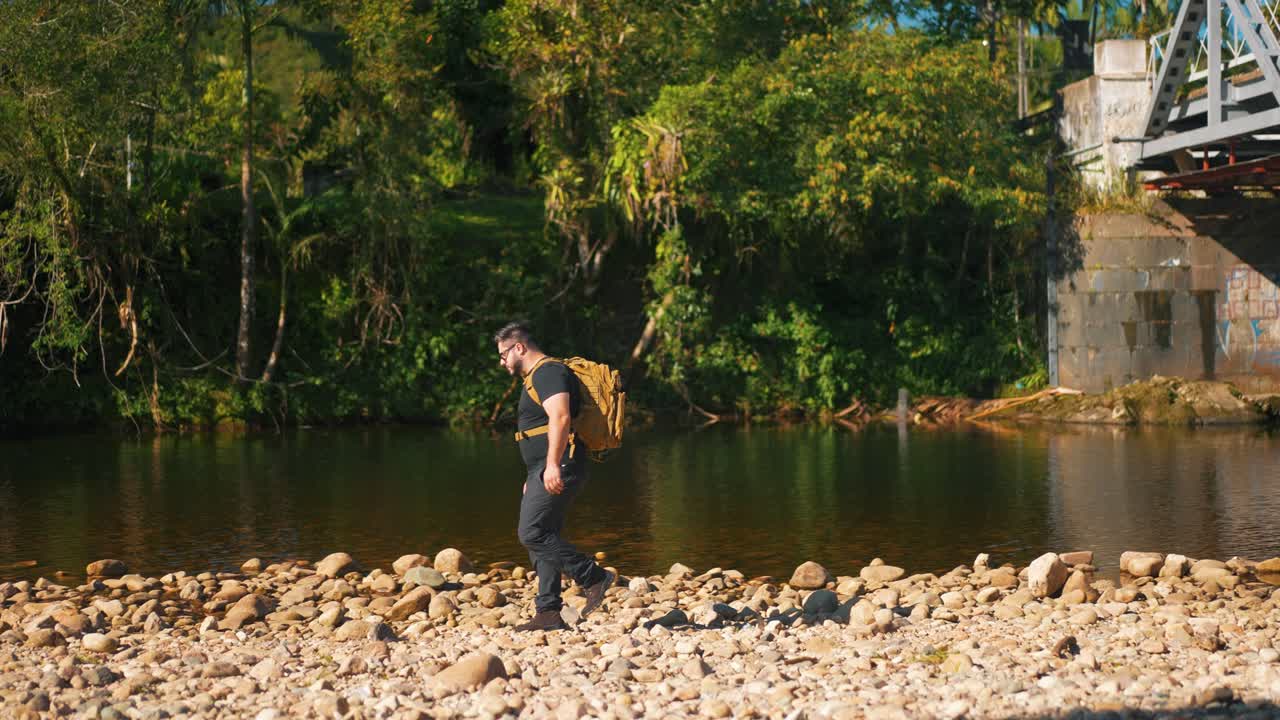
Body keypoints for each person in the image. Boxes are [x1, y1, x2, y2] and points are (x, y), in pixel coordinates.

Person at [494, 322, 615, 631]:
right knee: (543, 536)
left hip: (560, 463)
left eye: (503, 355)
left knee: (531, 533)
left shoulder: (548, 372)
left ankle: (593, 576)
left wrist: (550, 465)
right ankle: (548, 613)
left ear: (519, 347)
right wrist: (535, 473)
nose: (502, 362)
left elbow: (560, 417)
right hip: (544, 467)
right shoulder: (537, 377)